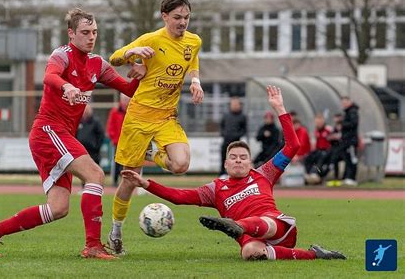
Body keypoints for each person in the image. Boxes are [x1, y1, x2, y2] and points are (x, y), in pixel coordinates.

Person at [0, 8, 146, 259]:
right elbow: (49, 76)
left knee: (58, 208)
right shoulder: (62, 54)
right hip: (48, 130)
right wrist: (66, 85)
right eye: (85, 32)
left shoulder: (98, 64)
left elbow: (129, 89)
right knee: (95, 174)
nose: (91, 37)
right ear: (71, 33)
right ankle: (93, 246)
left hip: (58, 135)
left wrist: (142, 71)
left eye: (95, 32)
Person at [122, 85, 346, 261]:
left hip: (276, 227)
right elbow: (181, 197)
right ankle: (314, 254)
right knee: (250, 253)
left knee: (265, 222)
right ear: (226, 164)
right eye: (233, 157)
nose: (238, 160)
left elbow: (292, 146)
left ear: (250, 163)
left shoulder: (264, 173)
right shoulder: (215, 189)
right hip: (251, 238)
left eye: (243, 157)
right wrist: (145, 183)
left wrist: (279, 109)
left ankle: (238, 226)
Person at [107, 0, 204, 254]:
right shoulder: (151, 39)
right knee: (129, 179)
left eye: (186, 17)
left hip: (166, 116)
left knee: (181, 164)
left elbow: (192, 61)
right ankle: (115, 231)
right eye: (177, 17)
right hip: (139, 115)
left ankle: (151, 153)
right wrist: (133, 53)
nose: (182, 22)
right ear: (164, 17)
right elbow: (114, 58)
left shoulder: (193, 41)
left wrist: (195, 81)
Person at [76, 104, 105, 189]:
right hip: (81, 151)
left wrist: (96, 146)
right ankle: (84, 187)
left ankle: (98, 188)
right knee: (83, 170)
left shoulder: (95, 122)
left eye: (86, 110)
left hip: (93, 152)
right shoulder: (79, 121)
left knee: (96, 170)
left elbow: (101, 135)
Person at [106, 94, 130, 186]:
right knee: (116, 163)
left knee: (129, 163)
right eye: (124, 99)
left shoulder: (132, 110)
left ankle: (128, 182)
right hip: (118, 142)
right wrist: (115, 139)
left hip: (130, 142)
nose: (125, 101)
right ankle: (115, 181)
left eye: (127, 99)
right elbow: (110, 126)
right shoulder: (115, 111)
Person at [219, 97, 247, 177]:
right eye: (233, 104)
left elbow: (244, 130)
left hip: (236, 143)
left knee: (235, 158)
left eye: (236, 104)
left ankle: (235, 174)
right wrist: (224, 134)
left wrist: (236, 135)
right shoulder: (226, 115)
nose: (234, 106)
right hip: (226, 141)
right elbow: (222, 126)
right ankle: (222, 174)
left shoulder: (242, 116)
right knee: (224, 157)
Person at [304, 113, 332, 185]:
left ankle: (314, 173)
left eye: (319, 122)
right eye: (317, 122)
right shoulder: (316, 131)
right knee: (307, 157)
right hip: (318, 150)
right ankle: (308, 173)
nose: (318, 124)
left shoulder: (328, 130)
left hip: (326, 150)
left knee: (321, 158)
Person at [339, 96, 360, 186]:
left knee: (352, 159)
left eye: (345, 102)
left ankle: (352, 178)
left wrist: (343, 124)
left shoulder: (352, 111)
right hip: (347, 141)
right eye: (342, 103)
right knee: (347, 159)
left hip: (351, 141)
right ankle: (347, 177)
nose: (343, 104)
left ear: (349, 102)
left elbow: (353, 123)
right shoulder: (348, 112)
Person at [326, 113, 343, 187]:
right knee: (327, 155)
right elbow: (329, 138)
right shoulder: (334, 129)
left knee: (334, 157)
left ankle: (337, 177)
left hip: (342, 150)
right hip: (334, 150)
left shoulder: (346, 128)